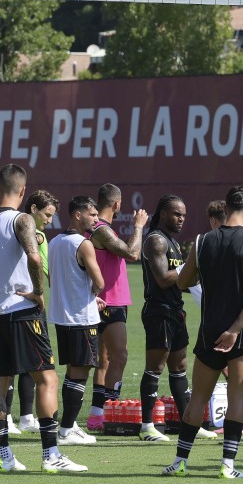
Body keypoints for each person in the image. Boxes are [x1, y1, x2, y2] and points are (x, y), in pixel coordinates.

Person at [0, 163, 87, 473]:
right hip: (23, 313)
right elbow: (35, 257)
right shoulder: (21, 220)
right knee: (47, 379)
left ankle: (5, 457)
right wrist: (38, 291)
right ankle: (51, 456)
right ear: (23, 191)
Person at [163, 186, 243, 479]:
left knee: (198, 398)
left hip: (209, 331)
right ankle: (228, 466)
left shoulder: (202, 241)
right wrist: (235, 330)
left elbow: (182, 282)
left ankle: (180, 461)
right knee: (236, 398)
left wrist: (202, 273)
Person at [85, 184, 148, 431]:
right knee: (119, 356)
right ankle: (110, 411)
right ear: (117, 204)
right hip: (111, 301)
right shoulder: (101, 229)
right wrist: (139, 226)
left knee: (104, 360)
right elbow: (133, 254)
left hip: (101, 299)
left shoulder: (97, 229)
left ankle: (97, 414)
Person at [49, 196, 104, 445]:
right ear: (78, 215)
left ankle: (66, 427)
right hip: (81, 318)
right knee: (80, 373)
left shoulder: (55, 242)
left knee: (73, 372)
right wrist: (93, 293)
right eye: (92, 214)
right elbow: (100, 283)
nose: (96, 218)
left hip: (63, 317)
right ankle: (66, 430)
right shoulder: (84, 244)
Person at [139, 194, 190, 443]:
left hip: (175, 310)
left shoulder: (173, 242)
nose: (181, 219)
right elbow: (162, 278)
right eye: (176, 214)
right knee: (155, 368)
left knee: (180, 367)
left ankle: (188, 422)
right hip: (159, 311)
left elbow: (180, 280)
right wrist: (190, 267)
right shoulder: (156, 241)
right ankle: (147, 425)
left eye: (183, 215)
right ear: (162, 214)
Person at [7, 190, 59, 434]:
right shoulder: (29, 235)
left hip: (28, 305)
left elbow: (47, 271)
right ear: (33, 209)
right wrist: (40, 292)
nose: (50, 220)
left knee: (32, 363)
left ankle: (26, 416)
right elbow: (39, 266)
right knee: (12, 364)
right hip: (22, 305)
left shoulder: (40, 236)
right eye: (47, 214)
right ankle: (8, 417)